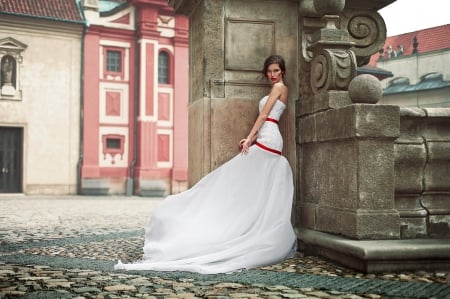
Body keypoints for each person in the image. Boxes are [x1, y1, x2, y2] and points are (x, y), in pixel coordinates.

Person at [115, 54, 297, 274]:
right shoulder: (277, 89)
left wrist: (249, 139)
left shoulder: (279, 87)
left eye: (276, 70)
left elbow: (264, 115)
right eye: (269, 71)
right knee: (246, 179)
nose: (272, 75)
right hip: (267, 138)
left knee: (239, 174)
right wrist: (254, 138)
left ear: (283, 71)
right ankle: (241, 221)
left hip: (269, 139)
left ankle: (245, 225)